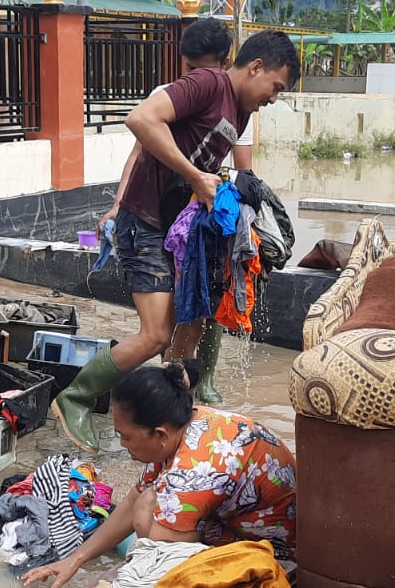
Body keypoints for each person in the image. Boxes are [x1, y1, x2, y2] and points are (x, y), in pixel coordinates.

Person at [50, 31, 301, 452]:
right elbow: (141, 120)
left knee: (195, 319)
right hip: (143, 221)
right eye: (275, 87)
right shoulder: (209, 84)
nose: (273, 98)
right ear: (256, 67)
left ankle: (168, 417)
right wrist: (193, 175)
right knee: (156, 334)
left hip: (172, 229)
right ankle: (74, 396)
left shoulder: (238, 112)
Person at [24, 361, 296, 588]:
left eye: (126, 437)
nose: (122, 444)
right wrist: (75, 559)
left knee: (148, 530)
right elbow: (132, 500)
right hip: (245, 522)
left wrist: (143, 527)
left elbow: (159, 554)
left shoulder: (195, 469)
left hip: (276, 554)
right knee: (147, 506)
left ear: (159, 435)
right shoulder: (187, 423)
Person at [97, 18, 254, 406]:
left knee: (203, 309)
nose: (198, 74)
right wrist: (118, 204)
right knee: (162, 328)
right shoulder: (177, 93)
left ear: (224, 60)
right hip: (159, 216)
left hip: (195, 215)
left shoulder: (241, 104)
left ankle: (196, 382)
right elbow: (140, 148)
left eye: (205, 66)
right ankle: (105, 395)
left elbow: (244, 167)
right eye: (190, 68)